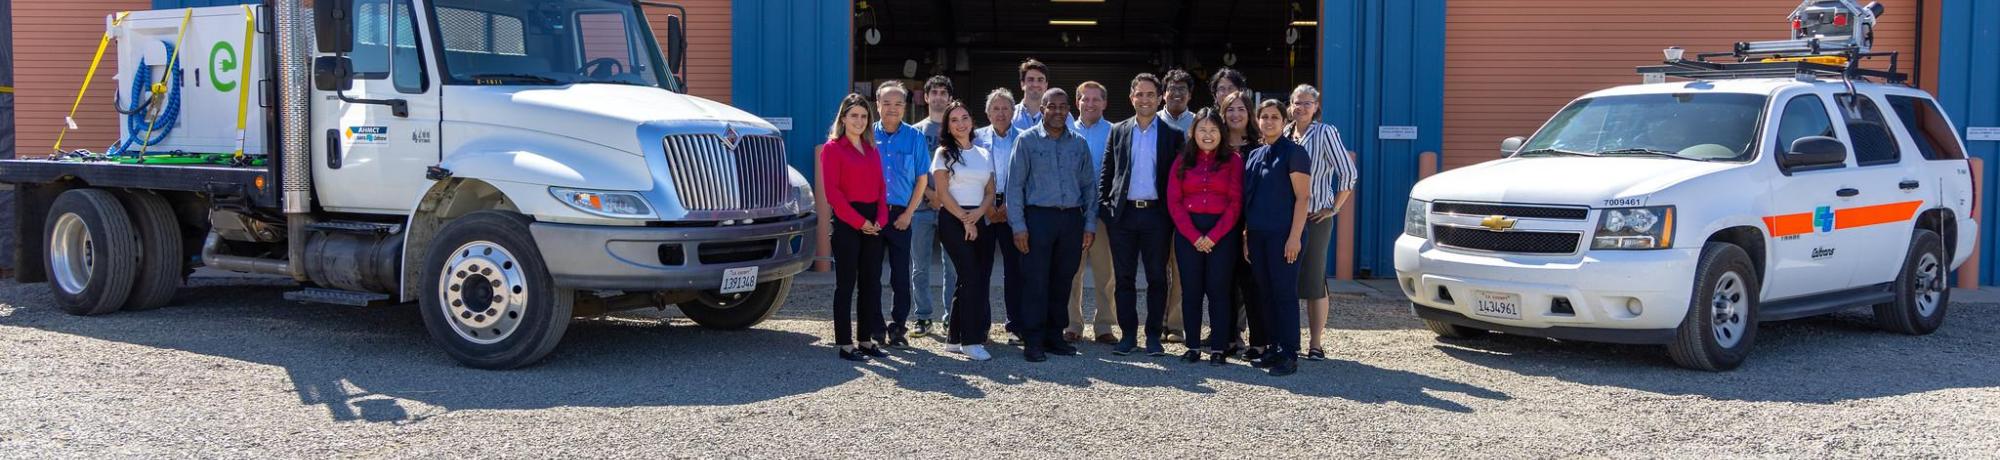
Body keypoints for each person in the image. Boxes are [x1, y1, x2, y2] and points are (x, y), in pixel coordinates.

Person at [1005, 88, 1097, 363]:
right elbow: (1014, 187)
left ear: (1068, 109)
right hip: (1038, 219)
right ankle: (1033, 339)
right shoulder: (1026, 141)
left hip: (1070, 220)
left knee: (1062, 280)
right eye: (1051, 106)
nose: (1057, 111)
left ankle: (1054, 336)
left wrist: (1089, 223)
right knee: (1035, 280)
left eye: (1062, 106)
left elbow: (1089, 186)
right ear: (1042, 109)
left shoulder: (1078, 144)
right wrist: (1018, 226)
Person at [1098, 73, 1185, 356]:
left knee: (1157, 278)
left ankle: (1153, 336)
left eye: (1151, 94)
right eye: (1140, 94)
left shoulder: (1173, 136)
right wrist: (1106, 209)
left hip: (1157, 217)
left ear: (1159, 98)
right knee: (1123, 279)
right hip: (1123, 217)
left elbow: (1179, 178)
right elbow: (1107, 173)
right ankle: (1128, 336)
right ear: (1131, 97)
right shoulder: (1119, 130)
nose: (1145, 99)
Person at [1166, 108, 1243, 365]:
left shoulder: (1233, 161)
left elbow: (1235, 203)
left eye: (1213, 130)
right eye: (1202, 130)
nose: (1207, 135)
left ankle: (1219, 347)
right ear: (1193, 132)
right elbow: (1174, 201)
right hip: (1189, 233)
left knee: (1219, 290)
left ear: (1221, 133)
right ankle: (1193, 346)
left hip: (1222, 233)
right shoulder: (1182, 160)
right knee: (1192, 291)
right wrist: (1194, 235)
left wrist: (1213, 236)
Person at [1287, 84, 1358, 361]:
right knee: (1288, 280)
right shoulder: (1284, 134)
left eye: (1307, 103)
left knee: (1314, 280)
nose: (1301, 107)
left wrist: (1334, 208)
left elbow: (1348, 173)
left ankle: (1315, 344)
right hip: (1288, 218)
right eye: (1296, 102)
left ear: (1316, 107)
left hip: (1315, 217)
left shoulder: (1325, 132)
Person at [1242, 99, 1312, 377]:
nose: (1269, 121)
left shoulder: (1295, 153)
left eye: (1275, 117)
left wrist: (1295, 237)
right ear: (1258, 121)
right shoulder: (1255, 155)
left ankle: (1289, 352)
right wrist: (1246, 235)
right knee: (1265, 294)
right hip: (1258, 236)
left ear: (1284, 122)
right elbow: (1250, 200)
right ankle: (1272, 346)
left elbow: (1303, 197)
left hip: (1284, 236)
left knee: (1283, 293)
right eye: (1264, 117)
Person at [820, 94, 891, 362]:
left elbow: (881, 189)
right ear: (843, 118)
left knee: (871, 284)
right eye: (854, 116)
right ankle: (845, 343)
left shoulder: (871, 148)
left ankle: (865, 339)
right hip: (848, 222)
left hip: (874, 222)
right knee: (846, 284)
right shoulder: (832, 148)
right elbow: (833, 194)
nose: (859, 121)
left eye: (864, 116)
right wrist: (859, 222)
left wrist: (879, 221)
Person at [930, 100, 997, 361]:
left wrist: (978, 215)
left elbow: (990, 191)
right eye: (954, 120)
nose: (961, 123)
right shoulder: (943, 153)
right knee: (971, 275)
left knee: (972, 277)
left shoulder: (983, 153)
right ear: (947, 125)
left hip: (978, 216)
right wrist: (965, 220)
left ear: (972, 121)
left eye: (964, 117)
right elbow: (943, 194)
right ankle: (971, 341)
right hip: (953, 218)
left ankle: (954, 338)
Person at [873, 81, 934, 348]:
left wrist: (909, 213)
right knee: (871, 275)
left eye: (898, 103)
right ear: (877, 105)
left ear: (905, 107)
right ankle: (874, 327)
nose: (892, 108)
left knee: (900, 275)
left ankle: (898, 327)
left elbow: (922, 178)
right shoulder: (866, 135)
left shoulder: (915, 137)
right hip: (872, 214)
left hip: (901, 214)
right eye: (887, 103)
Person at [1066, 81, 1119, 344]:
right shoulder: (1064, 130)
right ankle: (1072, 324)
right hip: (1072, 212)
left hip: (1101, 213)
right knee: (1071, 271)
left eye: (1096, 99)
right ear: (1077, 103)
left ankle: (1104, 326)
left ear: (1105, 103)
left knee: (1105, 272)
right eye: (1085, 99)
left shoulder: (1115, 132)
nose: (1090, 104)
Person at [908, 75, 959, 339]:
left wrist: (945, 198)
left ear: (950, 98)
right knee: (920, 266)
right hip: (921, 208)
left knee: (952, 266)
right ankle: (923, 316)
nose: (939, 97)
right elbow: (912, 171)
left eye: (943, 93)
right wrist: (929, 194)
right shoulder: (915, 132)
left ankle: (951, 317)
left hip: (951, 208)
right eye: (934, 93)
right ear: (926, 98)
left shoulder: (956, 130)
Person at [973, 89, 1026, 342]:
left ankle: (1015, 325)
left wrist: (1009, 205)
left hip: (1012, 208)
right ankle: (981, 326)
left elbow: (1028, 177)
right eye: (996, 108)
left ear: (1013, 111)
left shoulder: (1025, 138)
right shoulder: (976, 138)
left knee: (1015, 270)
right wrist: (989, 206)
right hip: (984, 206)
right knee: (981, 269)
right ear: (987, 112)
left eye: (1006, 108)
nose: (1001, 113)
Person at [1217, 90, 1265, 359]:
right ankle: (1228, 338)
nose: (1235, 114)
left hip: (1251, 225)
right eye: (1230, 110)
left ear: (1249, 114)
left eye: (1241, 109)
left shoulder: (1259, 148)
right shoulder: (1216, 147)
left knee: (1251, 285)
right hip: (1221, 225)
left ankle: (1259, 341)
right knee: (1223, 284)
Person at [1011, 58, 1075, 130]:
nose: (1035, 84)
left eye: (1040, 80)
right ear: (1022, 84)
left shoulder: (1064, 116)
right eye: (1030, 79)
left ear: (1046, 85)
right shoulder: (1010, 115)